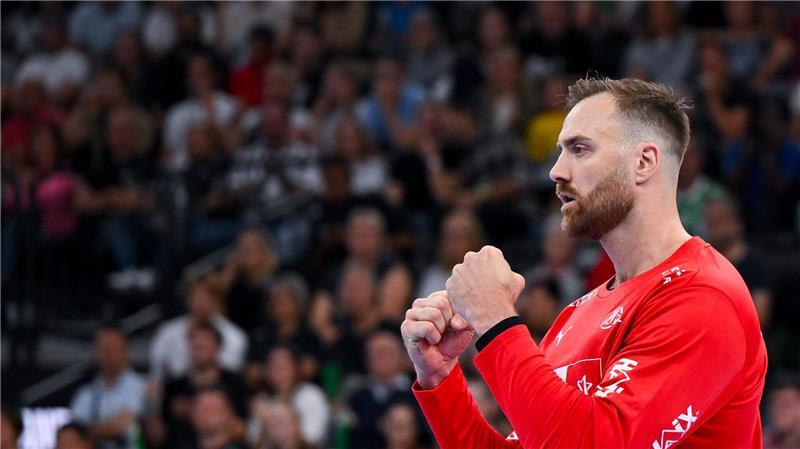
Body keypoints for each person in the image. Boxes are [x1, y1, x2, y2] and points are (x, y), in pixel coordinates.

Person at [401, 78, 767, 448]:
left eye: (580, 149)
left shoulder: (704, 296)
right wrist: (440, 377)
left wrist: (495, 320)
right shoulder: (579, 313)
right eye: (561, 151)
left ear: (643, 162)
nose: (556, 171)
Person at [70, 327, 145, 449]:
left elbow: (123, 427)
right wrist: (106, 428)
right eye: (103, 349)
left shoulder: (142, 386)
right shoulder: (85, 393)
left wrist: (91, 430)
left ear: (127, 352)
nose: (108, 355)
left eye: (112, 349)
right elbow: (75, 433)